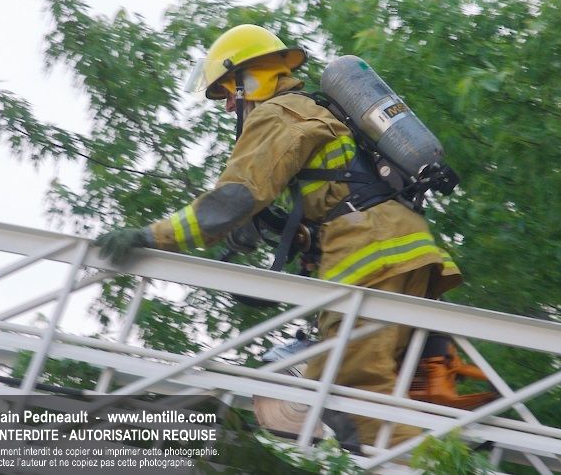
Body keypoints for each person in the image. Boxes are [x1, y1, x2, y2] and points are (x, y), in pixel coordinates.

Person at [95, 23, 463, 446]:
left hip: (370, 255)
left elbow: (233, 198)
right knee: (384, 388)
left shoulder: (279, 113)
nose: (228, 105)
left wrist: (149, 236)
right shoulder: (315, 110)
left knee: (348, 390)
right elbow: (335, 192)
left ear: (250, 79)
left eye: (228, 92)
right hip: (405, 249)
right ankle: (428, 455)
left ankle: (407, 466)